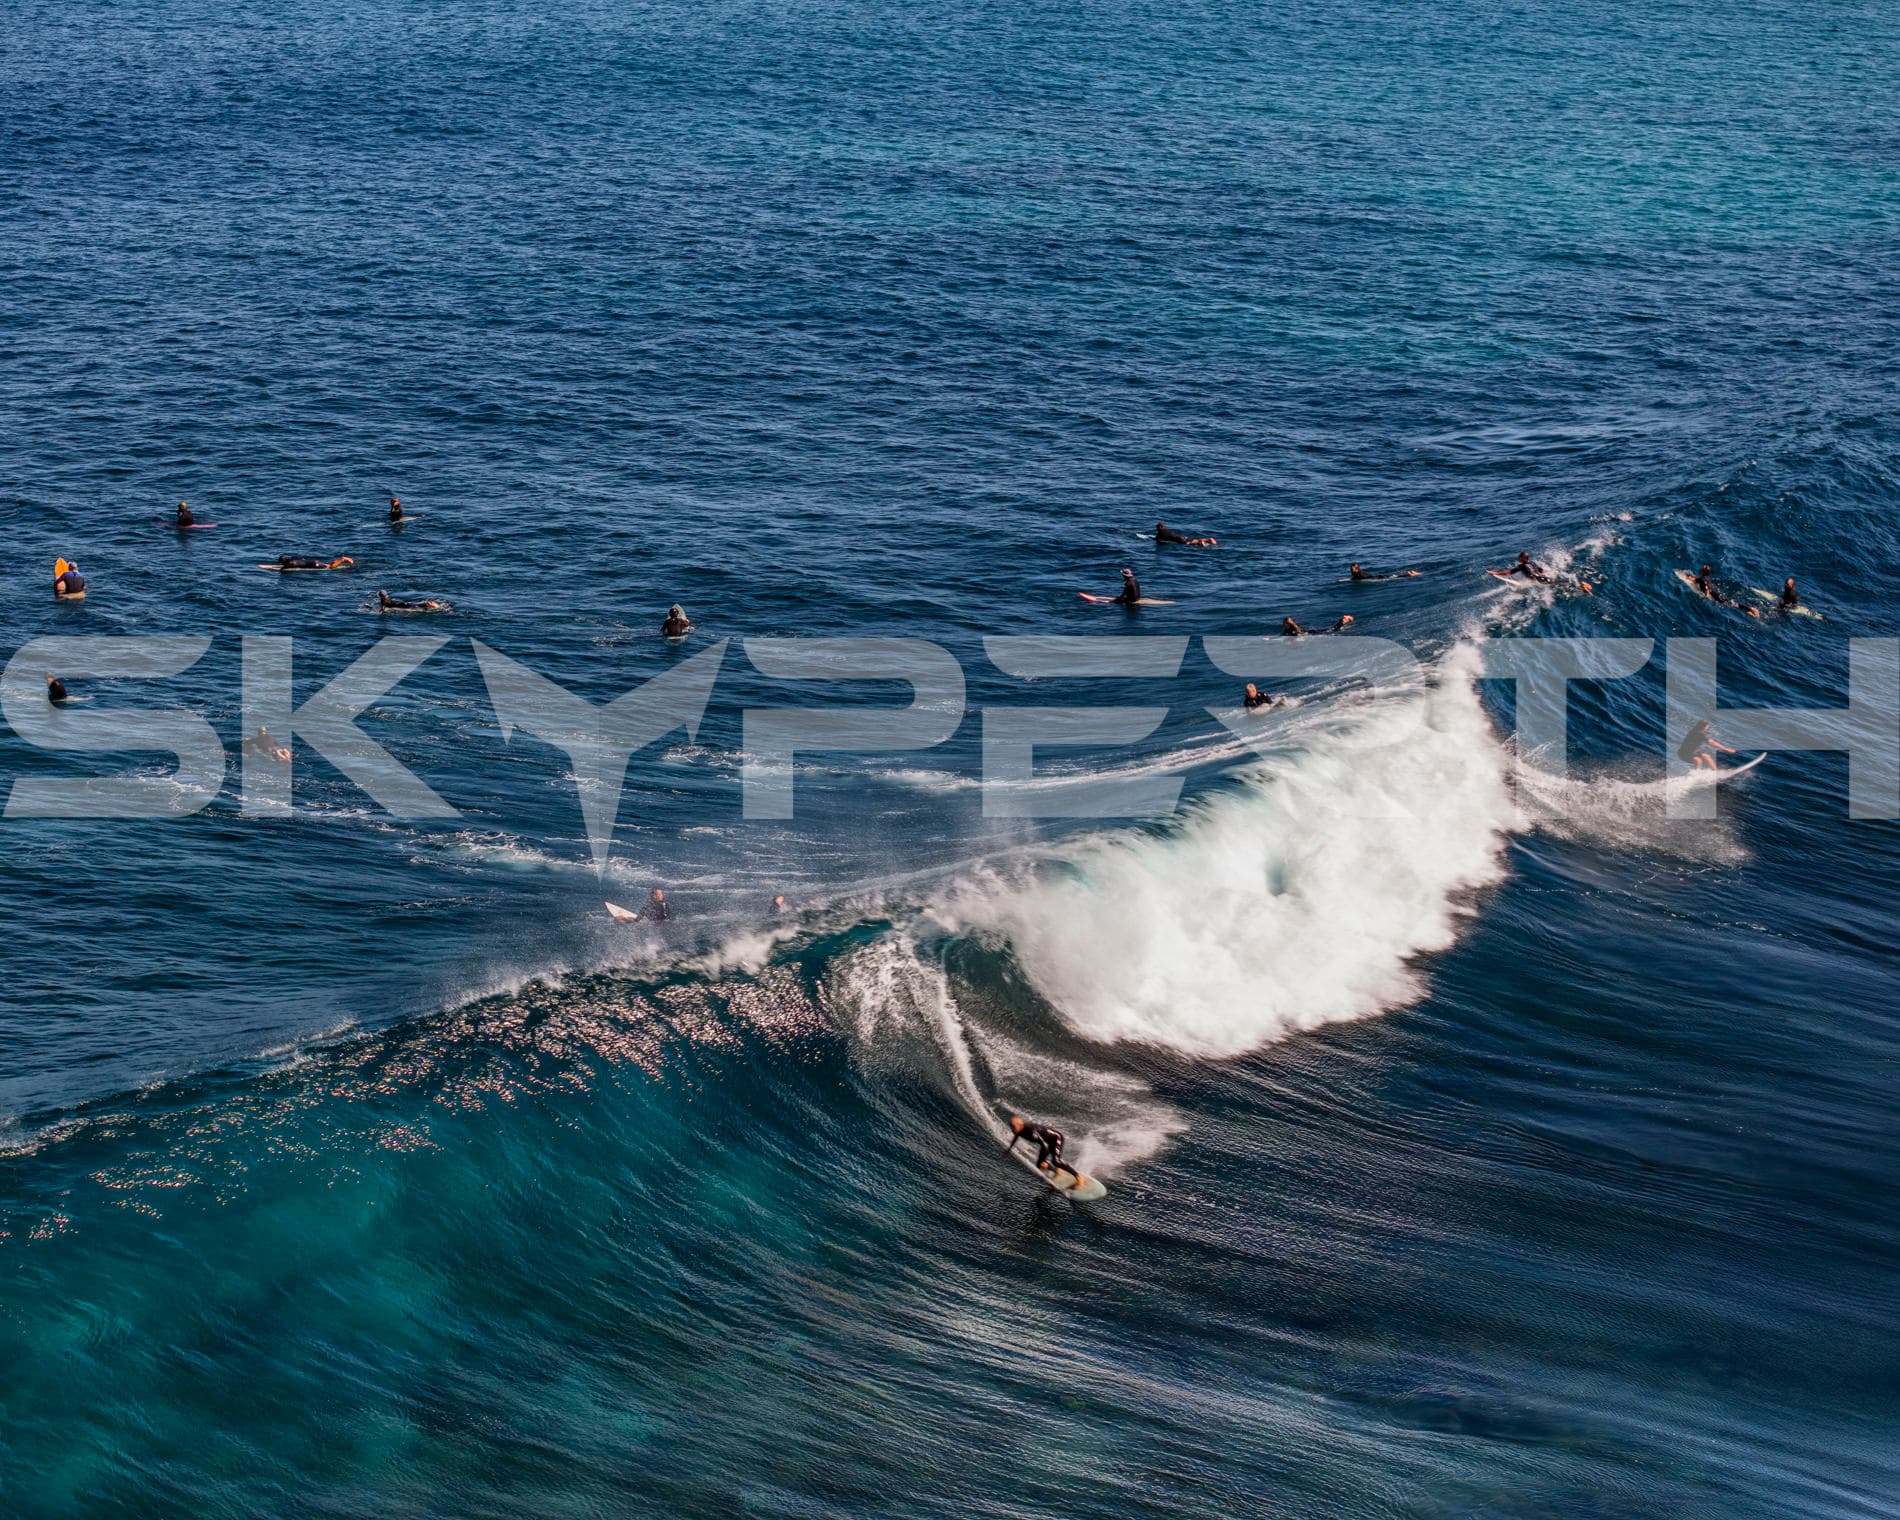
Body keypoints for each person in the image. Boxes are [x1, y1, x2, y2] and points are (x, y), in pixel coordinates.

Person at [1005, 1115, 1081, 1186]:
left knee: (1056, 1161)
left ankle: (1078, 1176)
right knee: (1039, 1164)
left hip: (1056, 1138)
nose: (1012, 1129)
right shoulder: (1019, 1130)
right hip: (1047, 1142)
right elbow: (1016, 1137)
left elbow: (1045, 1145)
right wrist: (1009, 1148)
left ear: (1020, 1125)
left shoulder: (1031, 1132)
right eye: (1011, 1127)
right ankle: (1057, 1171)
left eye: (1013, 1127)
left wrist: (1043, 1161)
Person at [1282, 614, 1352, 636]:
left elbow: (1300, 634)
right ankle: (1343, 620)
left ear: (1288, 624)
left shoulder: (1293, 629)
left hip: (1314, 633)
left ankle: (1343, 620)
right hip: (1312, 632)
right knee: (1332, 629)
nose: (1282, 624)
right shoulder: (1287, 630)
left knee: (1333, 630)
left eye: (1284, 623)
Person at [379, 590, 444, 612]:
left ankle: (430, 605)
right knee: (418, 605)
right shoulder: (387, 598)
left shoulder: (383, 600)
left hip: (404, 606)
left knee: (418, 606)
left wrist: (381, 611)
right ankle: (429, 604)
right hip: (404, 604)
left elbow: (383, 609)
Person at [1350, 562, 1419, 581]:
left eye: (1352, 569)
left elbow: (1370, 579)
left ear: (1356, 569)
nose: (1351, 570)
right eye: (1351, 568)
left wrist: (1380, 581)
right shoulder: (1357, 574)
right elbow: (1354, 578)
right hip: (1378, 576)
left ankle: (1409, 574)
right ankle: (1409, 573)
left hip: (1379, 577)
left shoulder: (1360, 574)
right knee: (1394, 576)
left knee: (1395, 577)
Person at [277, 555, 354, 570]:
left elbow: (284, 568)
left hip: (313, 564)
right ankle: (341, 559)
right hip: (312, 561)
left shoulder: (290, 564)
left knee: (329, 567)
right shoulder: (293, 558)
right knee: (328, 564)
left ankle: (342, 560)